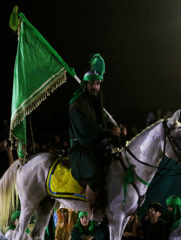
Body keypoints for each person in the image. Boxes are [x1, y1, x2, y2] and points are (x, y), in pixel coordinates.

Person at [68, 54, 125, 211]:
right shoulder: (76, 105)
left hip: (97, 145)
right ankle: (92, 209)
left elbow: (104, 124)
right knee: (95, 173)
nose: (96, 87)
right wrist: (108, 132)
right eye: (92, 83)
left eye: (98, 84)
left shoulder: (97, 101)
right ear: (86, 84)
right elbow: (86, 132)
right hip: (82, 149)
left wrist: (118, 130)